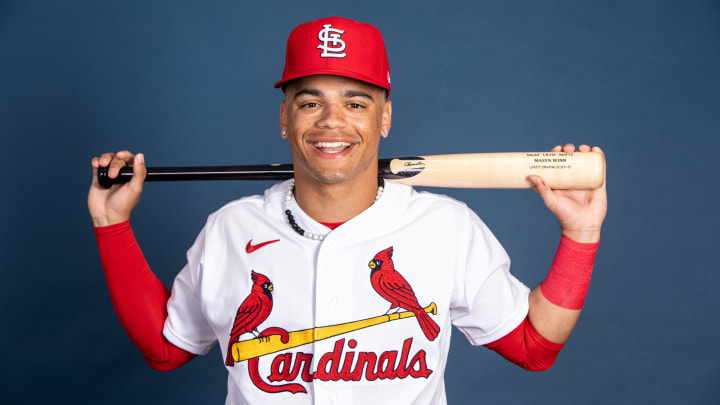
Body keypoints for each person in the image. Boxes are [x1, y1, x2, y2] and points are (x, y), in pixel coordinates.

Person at [88, 16, 607, 405]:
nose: (332, 121)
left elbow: (533, 349)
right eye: (310, 102)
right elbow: (165, 349)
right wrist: (111, 225)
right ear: (285, 119)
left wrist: (580, 234)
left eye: (356, 103)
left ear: (384, 120)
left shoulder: (446, 227)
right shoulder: (230, 228)